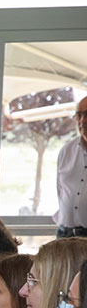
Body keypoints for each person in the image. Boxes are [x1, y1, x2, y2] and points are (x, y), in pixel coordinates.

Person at [54, 96, 87, 238]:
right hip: (64, 235)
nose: (83, 121)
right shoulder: (67, 151)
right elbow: (60, 190)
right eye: (79, 115)